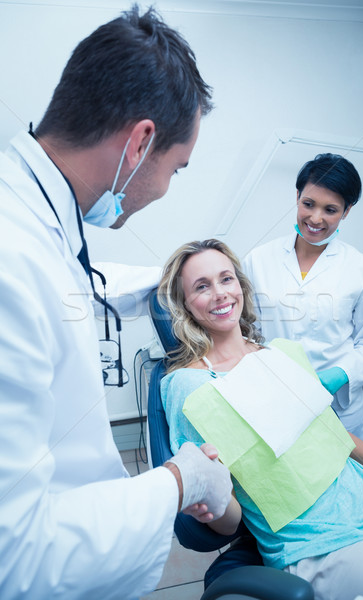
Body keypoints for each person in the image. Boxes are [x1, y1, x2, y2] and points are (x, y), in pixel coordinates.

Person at [0, 6, 234, 599]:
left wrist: (180, 277)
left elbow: (84, 280)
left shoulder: (38, 217)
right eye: (177, 170)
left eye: (226, 281)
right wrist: (180, 481)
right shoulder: (13, 261)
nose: (166, 187)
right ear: (140, 143)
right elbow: (15, 561)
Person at [158, 238, 363, 600]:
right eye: (202, 286)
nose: (221, 293)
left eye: (226, 279)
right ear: (186, 306)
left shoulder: (278, 354)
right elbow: (229, 520)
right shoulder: (189, 387)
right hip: (318, 544)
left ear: (240, 286)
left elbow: (330, 430)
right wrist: (211, 504)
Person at [243, 153, 363, 445]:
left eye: (331, 209)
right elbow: (245, 331)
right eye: (308, 204)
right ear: (297, 196)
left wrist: (340, 374)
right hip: (276, 402)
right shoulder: (258, 260)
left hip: (339, 410)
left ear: (347, 211)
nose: (315, 218)